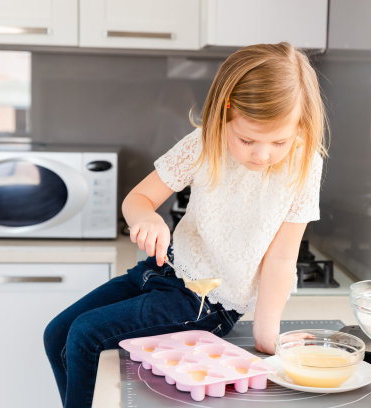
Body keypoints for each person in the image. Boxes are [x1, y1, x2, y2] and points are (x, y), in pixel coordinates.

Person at [43, 42, 328, 408]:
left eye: (279, 142)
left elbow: (281, 259)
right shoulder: (203, 144)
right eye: (247, 139)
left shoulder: (304, 166)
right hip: (166, 270)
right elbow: (137, 199)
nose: (262, 154)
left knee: (85, 334)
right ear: (224, 114)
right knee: (58, 334)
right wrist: (147, 218)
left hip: (208, 302)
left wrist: (267, 334)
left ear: (300, 125)